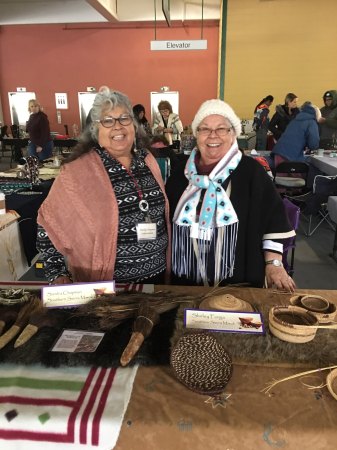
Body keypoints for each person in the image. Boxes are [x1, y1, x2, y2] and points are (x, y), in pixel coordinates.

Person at [37, 86, 171, 285]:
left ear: (134, 126)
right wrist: (57, 273)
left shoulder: (148, 161)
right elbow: (48, 224)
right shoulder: (77, 172)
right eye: (107, 121)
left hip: (157, 281)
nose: (117, 126)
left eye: (124, 118)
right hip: (106, 288)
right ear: (95, 131)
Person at [165, 99, 296, 292]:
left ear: (233, 133)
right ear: (196, 134)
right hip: (184, 283)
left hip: (238, 283)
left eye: (221, 129)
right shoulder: (179, 174)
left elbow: (273, 220)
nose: (212, 136)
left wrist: (274, 265)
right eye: (205, 129)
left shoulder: (252, 173)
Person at [271, 101, 320, 165]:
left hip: (278, 153)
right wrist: (313, 148)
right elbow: (313, 142)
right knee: (302, 172)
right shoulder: (311, 122)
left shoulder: (295, 120)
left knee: (281, 174)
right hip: (290, 156)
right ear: (316, 115)